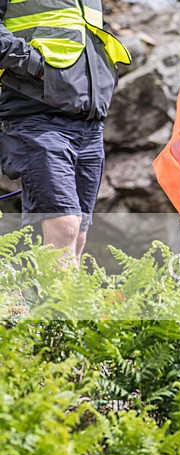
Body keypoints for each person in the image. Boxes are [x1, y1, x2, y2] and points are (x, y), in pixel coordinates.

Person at [0, 0, 130, 264]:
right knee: (64, 225)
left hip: (90, 124)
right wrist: (34, 66)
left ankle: (65, 304)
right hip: (37, 117)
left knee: (79, 232)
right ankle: (52, 305)